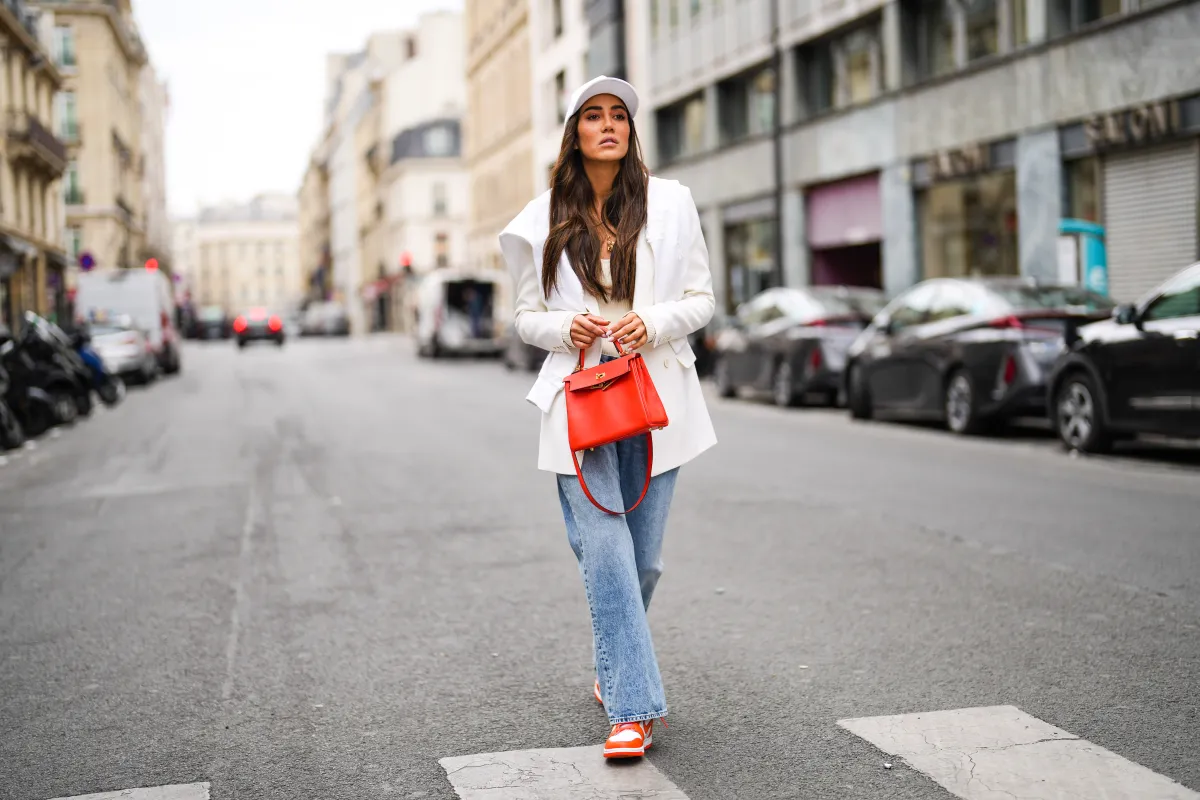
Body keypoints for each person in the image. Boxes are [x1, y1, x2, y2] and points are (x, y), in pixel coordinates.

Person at [499, 76, 717, 759]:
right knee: (606, 550)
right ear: (574, 133)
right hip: (583, 398)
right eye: (593, 115)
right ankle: (632, 709)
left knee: (643, 560)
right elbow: (525, 317)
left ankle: (613, 666)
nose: (608, 125)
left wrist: (651, 322)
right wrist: (566, 327)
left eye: (618, 114)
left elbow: (702, 299)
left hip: (655, 399)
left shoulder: (671, 202)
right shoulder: (539, 220)